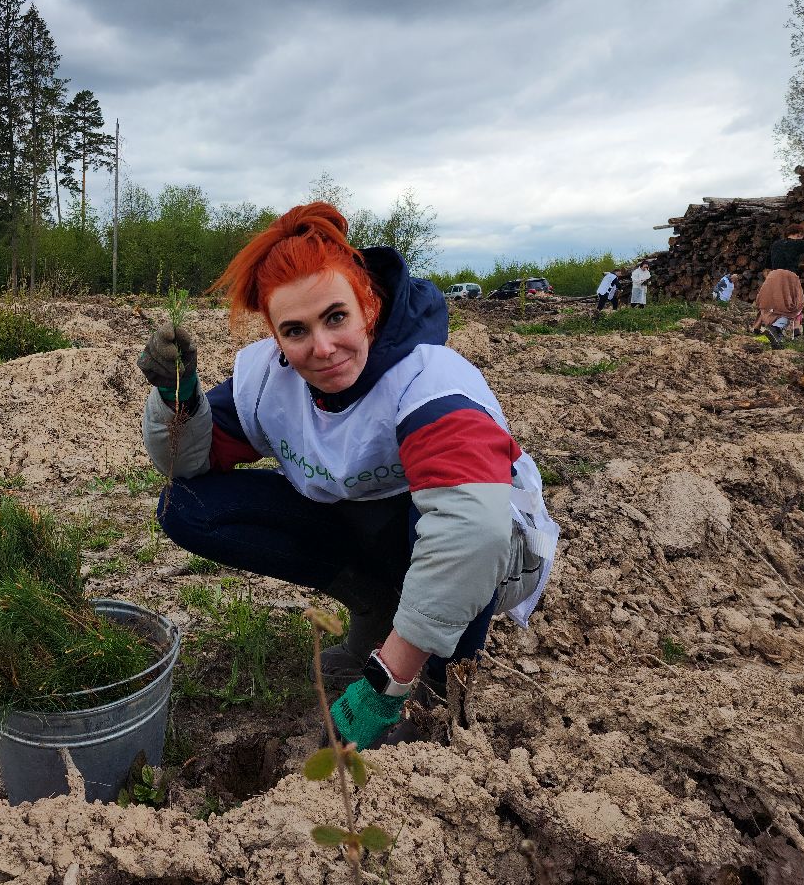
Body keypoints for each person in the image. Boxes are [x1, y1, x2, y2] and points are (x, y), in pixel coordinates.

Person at [137, 203, 559, 751]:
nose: (322, 348)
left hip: (483, 546)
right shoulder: (271, 378)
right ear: (275, 336)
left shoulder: (429, 383)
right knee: (186, 503)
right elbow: (189, 464)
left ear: (367, 305)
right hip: (372, 526)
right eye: (296, 330)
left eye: (336, 317)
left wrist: (389, 682)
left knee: (475, 531)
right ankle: (377, 608)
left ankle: (437, 678)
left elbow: (470, 534)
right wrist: (178, 401)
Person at [751, 268, 803, 348]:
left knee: (769, 311)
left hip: (767, 310)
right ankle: (776, 330)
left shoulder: (771, 279)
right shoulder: (791, 278)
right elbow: (798, 302)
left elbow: (760, 299)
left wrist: (756, 327)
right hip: (781, 310)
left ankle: (775, 335)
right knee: (789, 313)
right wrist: (796, 329)